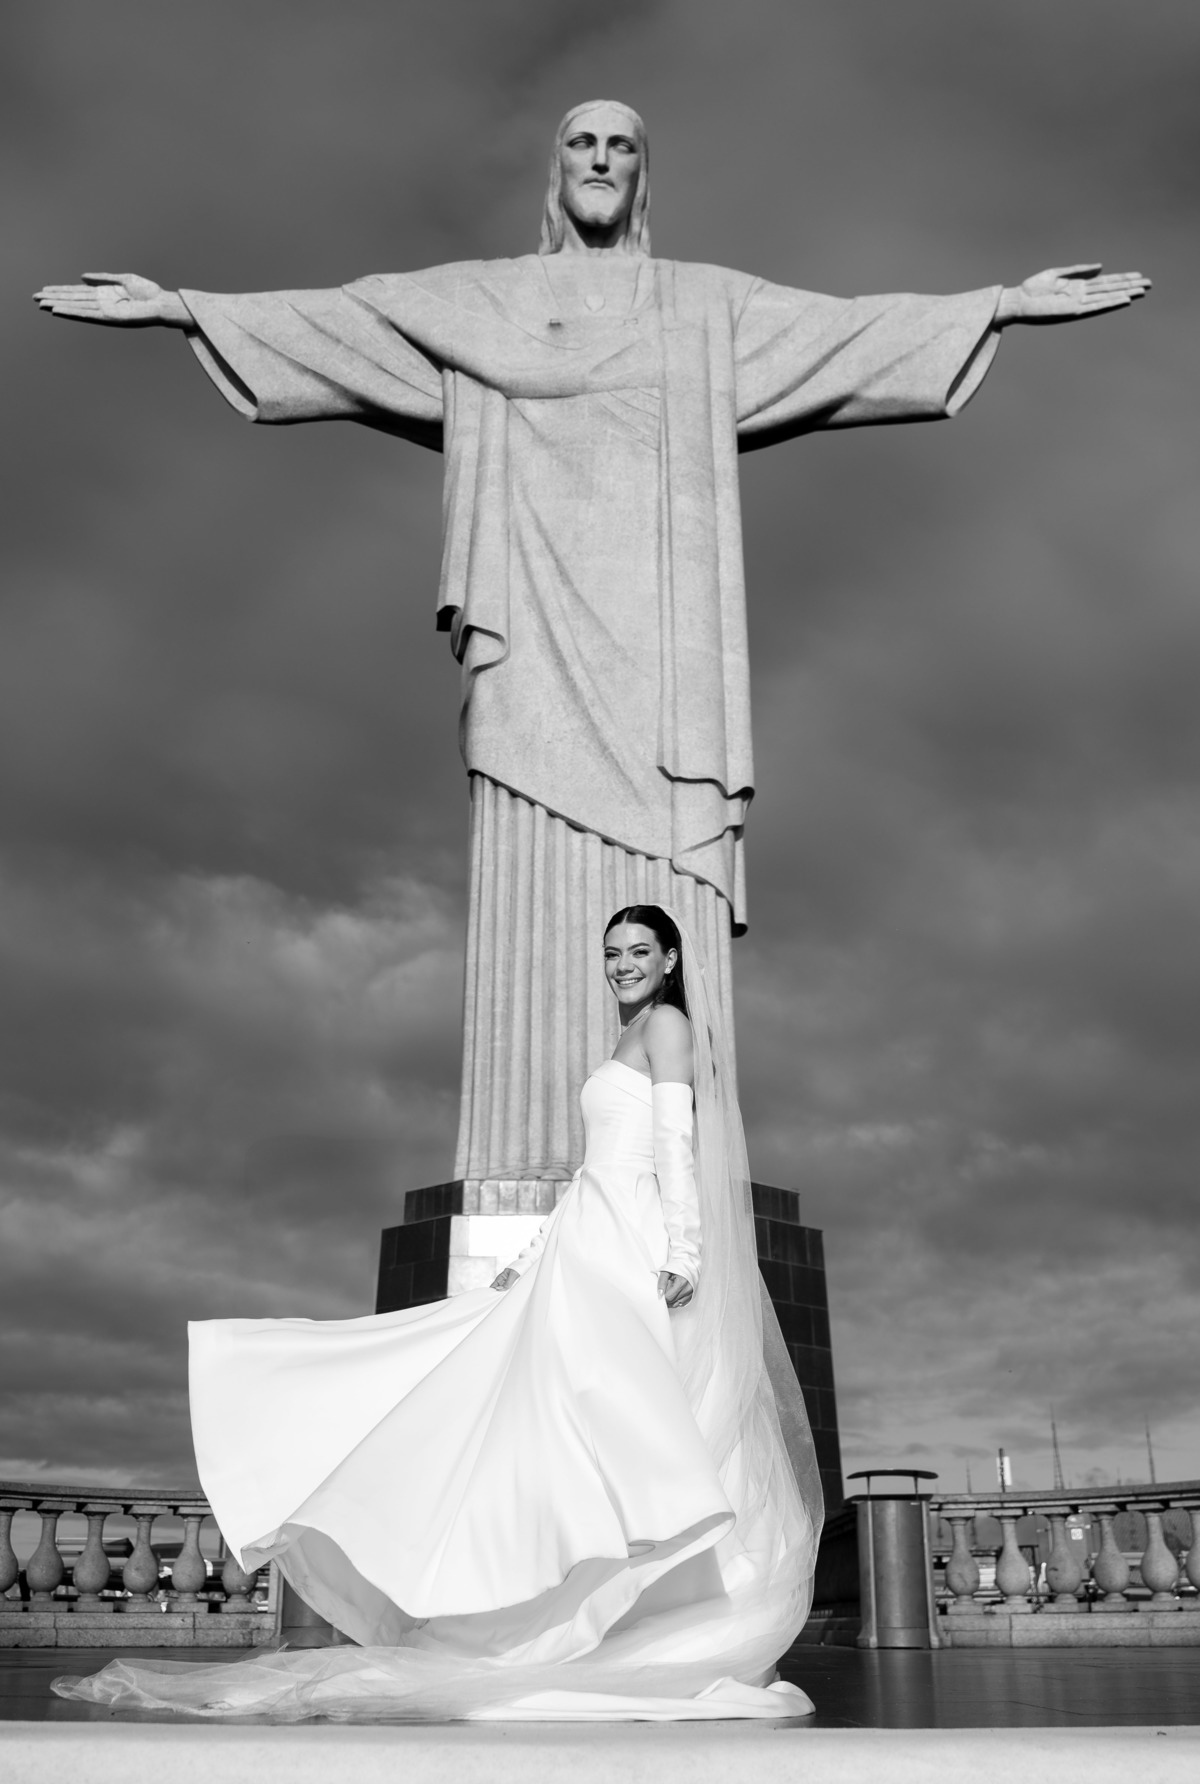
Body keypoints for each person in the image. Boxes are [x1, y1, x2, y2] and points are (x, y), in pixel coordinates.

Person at [32, 103, 1152, 1192]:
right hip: (530, 637)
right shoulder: (481, 302)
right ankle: (518, 1162)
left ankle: (675, 1176)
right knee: (524, 849)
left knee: (668, 888)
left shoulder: (705, 309)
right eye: (582, 142)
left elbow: (850, 329)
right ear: (555, 169)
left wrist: (998, 305)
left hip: (667, 660)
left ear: (645, 173)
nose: (602, 158)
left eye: (623, 145)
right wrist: (185, 308)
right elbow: (344, 320)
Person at [53, 905, 823, 1721]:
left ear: (670, 958)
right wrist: (528, 1261)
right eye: (611, 954)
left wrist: (685, 1253)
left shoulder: (664, 1024)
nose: (623, 965)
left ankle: (637, 1619)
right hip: (588, 1234)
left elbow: (676, 1146)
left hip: (630, 1242)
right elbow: (595, 1170)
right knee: (561, 1413)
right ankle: (589, 1619)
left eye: (639, 951)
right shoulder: (630, 1033)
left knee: (609, 1411)